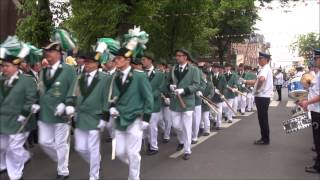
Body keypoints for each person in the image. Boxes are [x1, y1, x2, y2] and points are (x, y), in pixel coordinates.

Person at [108, 47, 154, 180]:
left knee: (133, 153)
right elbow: (112, 95)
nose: (116, 60)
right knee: (120, 152)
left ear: (128, 60)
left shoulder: (139, 76)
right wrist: (112, 106)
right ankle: (134, 164)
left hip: (135, 118)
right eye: (115, 58)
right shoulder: (114, 76)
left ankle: (134, 177)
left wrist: (146, 117)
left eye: (119, 58)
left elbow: (148, 97)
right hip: (119, 118)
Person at [65, 51, 109, 180]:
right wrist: (69, 105)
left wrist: (105, 117)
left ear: (97, 64)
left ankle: (93, 176)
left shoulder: (105, 78)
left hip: (96, 116)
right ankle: (96, 160)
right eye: (85, 62)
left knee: (93, 148)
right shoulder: (79, 78)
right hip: (81, 117)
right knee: (80, 148)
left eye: (89, 62)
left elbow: (107, 99)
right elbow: (72, 94)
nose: (86, 65)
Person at [38, 42, 76, 180]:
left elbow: (74, 87)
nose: (47, 54)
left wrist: (68, 104)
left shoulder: (68, 69)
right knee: (44, 142)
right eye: (46, 51)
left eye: (51, 51)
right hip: (45, 114)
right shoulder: (43, 70)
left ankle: (63, 170)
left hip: (62, 114)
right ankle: (61, 157)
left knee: (61, 143)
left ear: (59, 54)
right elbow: (41, 89)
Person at [0, 54, 38, 180]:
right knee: (3, 147)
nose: (4, 68)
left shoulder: (27, 80)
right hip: (3, 120)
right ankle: (24, 156)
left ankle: (15, 175)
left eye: (7, 66)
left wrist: (25, 112)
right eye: (2, 66)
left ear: (16, 66)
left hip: (20, 119)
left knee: (13, 147)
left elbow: (31, 98)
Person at [168, 49, 200, 160]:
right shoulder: (173, 69)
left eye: (179, 56)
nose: (177, 57)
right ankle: (182, 140)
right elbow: (168, 82)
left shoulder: (194, 70)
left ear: (185, 57)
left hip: (188, 102)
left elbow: (197, 85)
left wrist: (185, 90)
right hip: (175, 102)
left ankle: (187, 150)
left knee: (186, 127)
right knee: (176, 125)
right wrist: (170, 86)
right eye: (176, 56)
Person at [242, 52, 273, 145]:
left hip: (262, 97)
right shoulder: (265, 68)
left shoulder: (265, 68)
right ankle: (265, 138)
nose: (258, 60)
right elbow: (256, 81)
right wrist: (245, 81)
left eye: (260, 58)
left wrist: (257, 90)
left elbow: (261, 80)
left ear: (266, 60)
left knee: (262, 119)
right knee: (263, 118)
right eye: (258, 58)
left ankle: (265, 139)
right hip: (264, 97)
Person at [298, 49, 320, 174]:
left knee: (318, 139)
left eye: (316, 58)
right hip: (315, 109)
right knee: (316, 138)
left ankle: (318, 166)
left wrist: (307, 103)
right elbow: (314, 91)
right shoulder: (317, 74)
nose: (315, 61)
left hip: (318, 111)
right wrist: (306, 101)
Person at [141, 52, 166, 155]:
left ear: (150, 60)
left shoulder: (159, 74)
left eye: (144, 60)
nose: (142, 62)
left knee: (152, 127)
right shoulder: (140, 73)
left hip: (153, 104)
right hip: (142, 104)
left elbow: (161, 88)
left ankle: (154, 147)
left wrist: (150, 97)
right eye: (142, 60)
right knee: (144, 126)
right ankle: (146, 143)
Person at [211, 63, 226, 130]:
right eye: (213, 68)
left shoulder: (222, 76)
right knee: (212, 111)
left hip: (219, 95)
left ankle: (218, 124)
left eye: (215, 68)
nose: (214, 69)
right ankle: (214, 120)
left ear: (218, 69)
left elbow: (224, 86)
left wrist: (223, 94)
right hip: (212, 96)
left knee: (219, 111)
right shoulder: (210, 76)